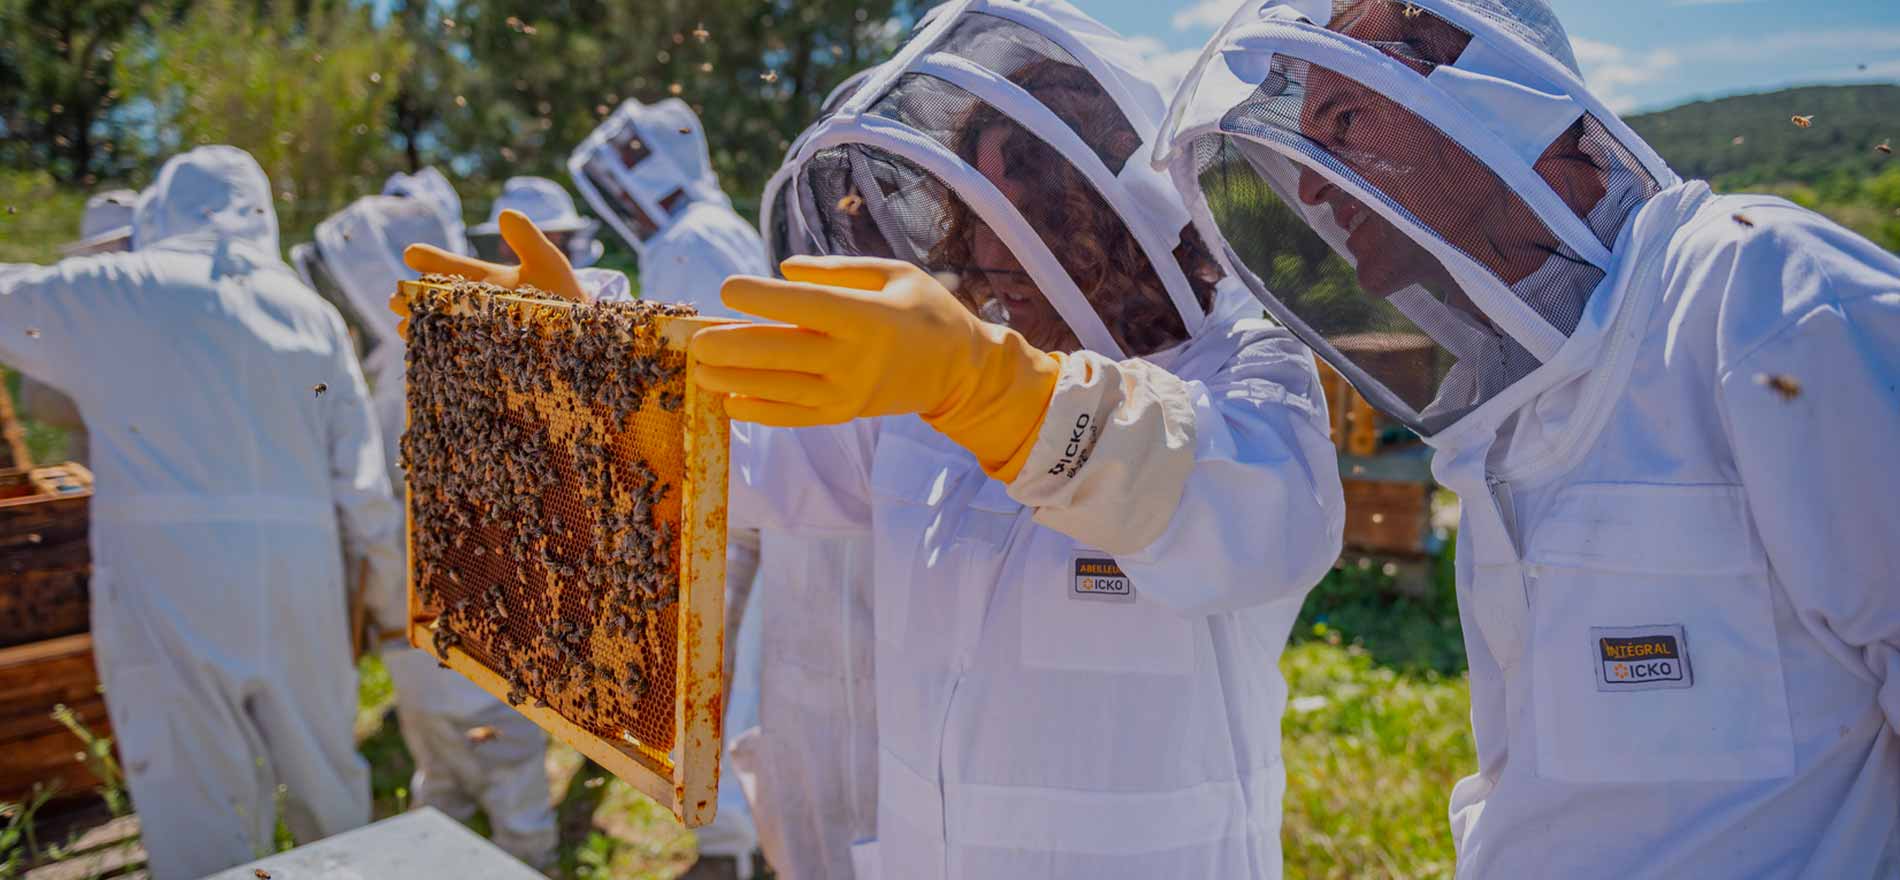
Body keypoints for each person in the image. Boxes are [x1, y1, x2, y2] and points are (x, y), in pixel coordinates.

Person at [1157, 0, 1900, 875]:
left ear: (1491, 101)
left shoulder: (1764, 295)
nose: (1311, 184)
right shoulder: (1507, 411)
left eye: (1345, 121)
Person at [694, 1, 1347, 875]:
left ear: (1116, 203)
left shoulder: (1244, 362)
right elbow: (745, 461)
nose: (996, 247)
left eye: (1034, 208)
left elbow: (1258, 525)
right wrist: (601, 363)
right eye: (976, 206)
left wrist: (992, 390)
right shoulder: (931, 373)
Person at [0, 146, 402, 879]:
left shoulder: (116, 287)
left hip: (170, 595)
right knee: (330, 802)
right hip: (302, 593)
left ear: (163, 210)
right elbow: (365, 491)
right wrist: (391, 600)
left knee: (201, 824)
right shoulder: (311, 314)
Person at [306, 191, 562, 870]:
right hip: (423, 622)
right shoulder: (398, 375)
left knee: (502, 762)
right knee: (444, 768)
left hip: (481, 618)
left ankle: (524, 858)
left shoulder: (456, 368)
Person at [565, 96, 775, 879]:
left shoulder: (690, 241)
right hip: (749, 480)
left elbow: (685, 382)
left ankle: (729, 849)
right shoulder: (712, 230)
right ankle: (736, 842)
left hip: (728, 481)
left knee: (709, 673)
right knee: (728, 671)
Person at [725, 68, 882, 880]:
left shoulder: (982, 382)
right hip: (798, 708)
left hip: (918, 758)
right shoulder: (792, 387)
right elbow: (738, 497)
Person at [568, 97, 771, 314]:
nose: (623, 196)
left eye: (625, 178)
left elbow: (695, 341)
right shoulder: (711, 223)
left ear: (658, 173)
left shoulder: (687, 240)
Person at [15, 189, 138, 466]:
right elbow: (39, 400)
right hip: (95, 470)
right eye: (118, 245)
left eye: (128, 244)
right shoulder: (72, 308)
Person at [469, 176, 605, 270]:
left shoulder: (598, 289)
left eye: (521, 237)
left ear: (559, 237)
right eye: (506, 238)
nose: (505, 249)